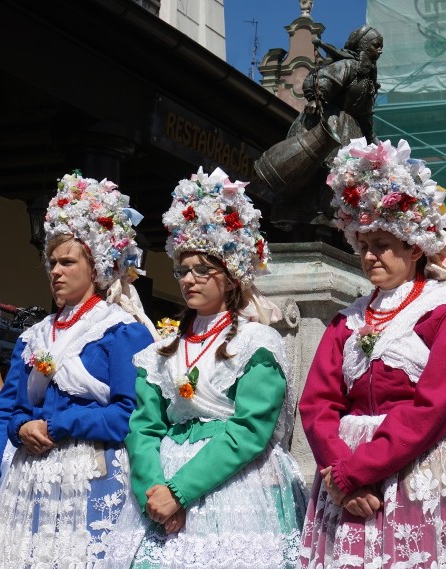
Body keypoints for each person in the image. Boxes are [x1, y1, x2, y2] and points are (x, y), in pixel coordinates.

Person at [298, 138, 446, 569]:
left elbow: (433, 406)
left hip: (429, 468)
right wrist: (341, 475)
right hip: (348, 479)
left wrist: (356, 472)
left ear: (415, 246)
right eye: (362, 243)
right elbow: (317, 404)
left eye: (383, 243)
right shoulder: (345, 321)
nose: (369, 255)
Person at [105, 167, 307, 569]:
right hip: (162, 487)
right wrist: (154, 493)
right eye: (183, 270)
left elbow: (250, 430)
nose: (189, 280)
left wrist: (179, 492)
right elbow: (143, 427)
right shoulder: (161, 350)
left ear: (231, 277)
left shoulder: (256, 343)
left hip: (231, 487)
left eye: (203, 270)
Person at [0, 172, 156, 568]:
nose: (55, 271)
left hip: (93, 478)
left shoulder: (122, 332)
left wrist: (60, 424)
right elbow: (7, 409)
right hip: (30, 481)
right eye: (51, 262)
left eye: (67, 262)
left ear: (95, 266)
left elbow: (131, 414)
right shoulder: (35, 336)